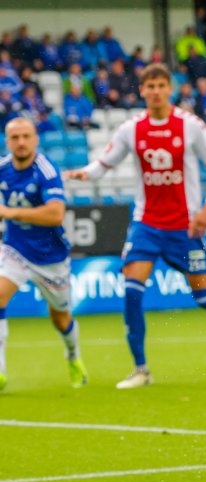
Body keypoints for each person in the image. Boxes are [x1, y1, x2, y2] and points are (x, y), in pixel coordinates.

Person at [64, 63, 206, 388]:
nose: (156, 91)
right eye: (150, 86)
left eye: (161, 85)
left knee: (205, 297)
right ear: (142, 90)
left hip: (186, 228)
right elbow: (103, 165)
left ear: (169, 88)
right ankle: (141, 369)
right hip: (146, 224)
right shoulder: (131, 129)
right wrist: (82, 174)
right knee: (132, 290)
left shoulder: (190, 125)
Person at [0, 118, 87, 390]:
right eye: (15, 137)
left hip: (50, 257)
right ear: (7, 140)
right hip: (15, 248)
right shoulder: (2, 169)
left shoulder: (46, 170)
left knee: (60, 318)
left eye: (26, 136)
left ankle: (73, 354)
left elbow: (55, 213)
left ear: (36, 139)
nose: (21, 142)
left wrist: (10, 213)